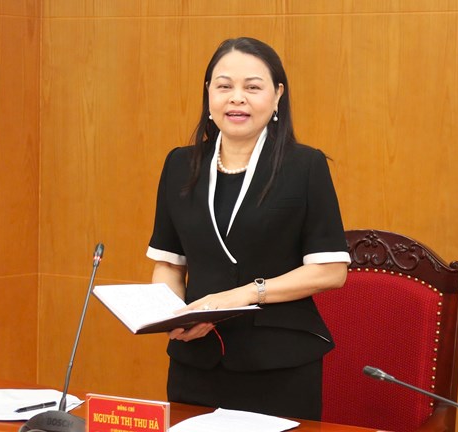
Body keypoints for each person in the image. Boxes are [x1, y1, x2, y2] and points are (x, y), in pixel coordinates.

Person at [146, 37, 350, 421]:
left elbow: (331, 270)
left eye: (252, 87)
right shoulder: (180, 165)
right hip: (196, 360)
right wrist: (174, 315)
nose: (236, 98)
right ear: (209, 94)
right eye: (224, 86)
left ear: (277, 96)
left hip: (278, 362)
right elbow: (169, 264)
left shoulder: (304, 166)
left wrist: (244, 295)